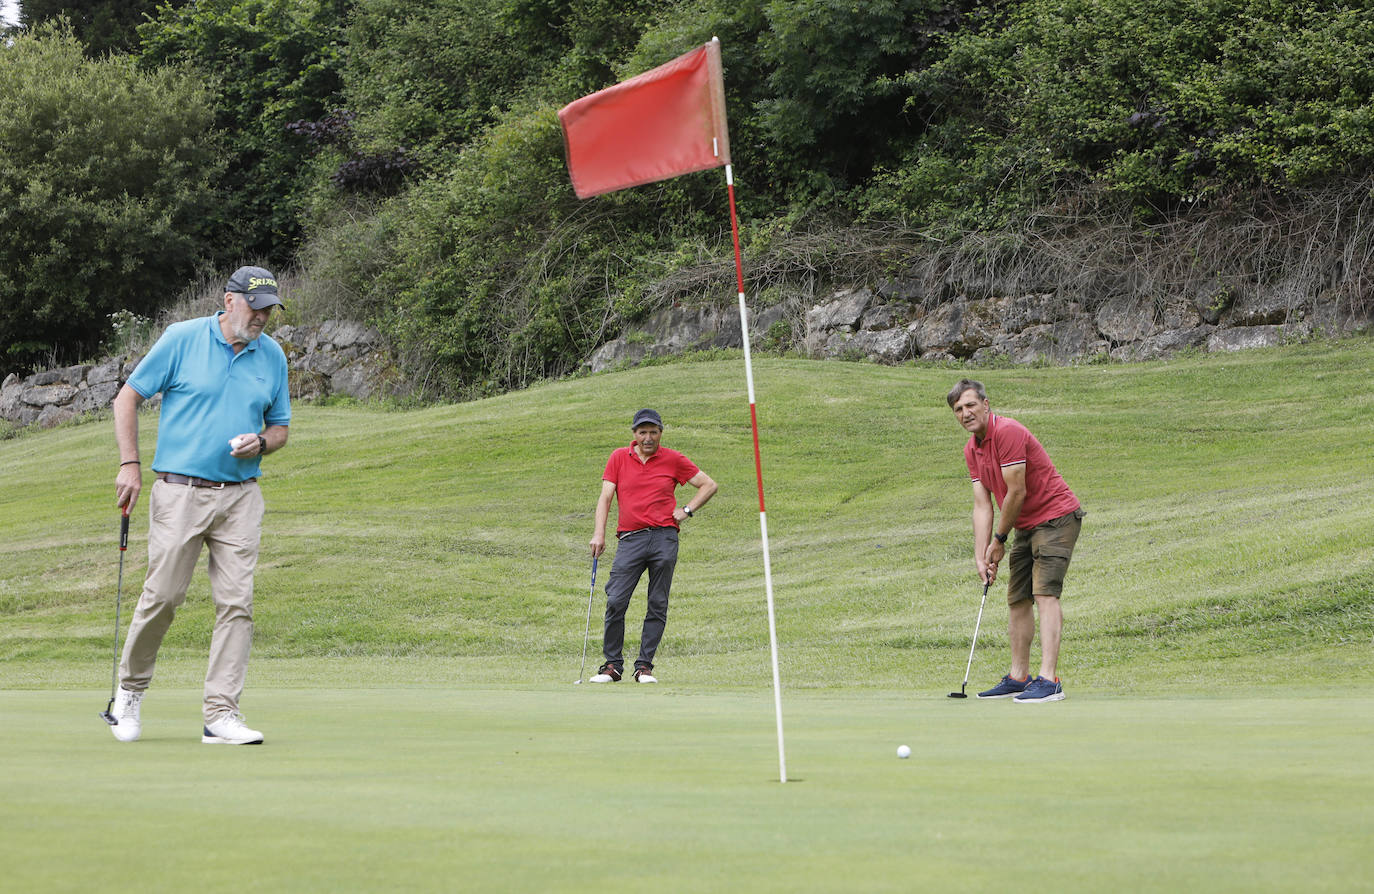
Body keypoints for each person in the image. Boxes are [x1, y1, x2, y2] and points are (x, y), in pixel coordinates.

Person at [107, 266, 291, 744]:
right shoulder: (181, 338)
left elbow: (280, 429)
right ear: (228, 300)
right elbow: (127, 398)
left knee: (237, 604)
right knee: (163, 596)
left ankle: (221, 715)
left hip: (241, 497)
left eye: (269, 309)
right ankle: (128, 694)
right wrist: (130, 464)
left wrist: (262, 443)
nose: (262, 317)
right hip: (180, 492)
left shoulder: (272, 356)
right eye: (255, 306)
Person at [948, 378, 1084, 703]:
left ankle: (1049, 680)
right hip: (1025, 524)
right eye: (958, 409)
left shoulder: (1007, 431)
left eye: (970, 405)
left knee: (1044, 593)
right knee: (1017, 599)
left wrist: (999, 540)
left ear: (985, 404)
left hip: (1056, 516)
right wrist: (981, 555)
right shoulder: (972, 449)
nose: (966, 413)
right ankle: (1018, 676)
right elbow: (982, 505)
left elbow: (1016, 491)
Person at [588, 408, 717, 684]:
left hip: (664, 538)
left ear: (660, 433)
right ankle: (612, 666)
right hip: (630, 539)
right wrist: (599, 533)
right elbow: (605, 498)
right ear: (634, 434)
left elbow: (708, 485)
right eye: (642, 432)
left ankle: (644, 666)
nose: (648, 437)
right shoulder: (618, 458)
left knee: (657, 603)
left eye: (653, 432)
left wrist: (687, 510)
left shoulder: (673, 459)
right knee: (615, 600)